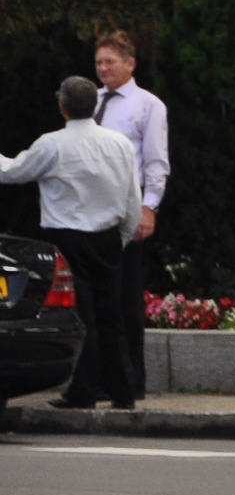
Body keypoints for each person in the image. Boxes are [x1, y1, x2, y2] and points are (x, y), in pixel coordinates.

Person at [0, 76, 142, 408]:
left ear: (62, 107)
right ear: (94, 105)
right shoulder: (119, 143)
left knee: (82, 317)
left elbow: (12, 172)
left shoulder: (51, 145)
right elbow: (132, 198)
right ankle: (123, 391)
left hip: (67, 239)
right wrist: (121, 238)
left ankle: (83, 391)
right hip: (108, 237)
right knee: (112, 317)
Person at [94, 29, 169, 399]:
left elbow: (155, 162)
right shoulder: (89, 102)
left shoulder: (147, 105)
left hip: (125, 209)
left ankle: (130, 380)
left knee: (125, 300)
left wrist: (148, 207)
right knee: (94, 299)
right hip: (90, 210)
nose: (104, 69)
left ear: (130, 63)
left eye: (110, 62)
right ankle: (95, 379)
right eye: (99, 62)